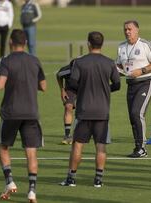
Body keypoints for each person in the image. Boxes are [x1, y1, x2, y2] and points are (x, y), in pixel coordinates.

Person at [0, 29, 46, 203]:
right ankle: (32, 191)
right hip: (31, 112)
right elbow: (44, 86)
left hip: (11, 113)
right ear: (25, 42)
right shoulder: (34, 60)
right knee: (31, 152)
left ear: (10, 42)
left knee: (3, 147)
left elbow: (0, 85)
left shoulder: (6, 60)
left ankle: (9, 181)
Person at [60, 31, 121, 187]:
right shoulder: (109, 62)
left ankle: (71, 179)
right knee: (100, 146)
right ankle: (98, 180)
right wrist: (105, 89)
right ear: (102, 44)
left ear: (88, 44)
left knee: (77, 145)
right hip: (102, 112)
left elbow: (72, 84)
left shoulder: (80, 63)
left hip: (84, 111)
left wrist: (84, 89)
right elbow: (117, 84)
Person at [116, 20, 151, 158]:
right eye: (125, 29)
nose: (127, 32)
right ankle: (137, 147)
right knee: (132, 117)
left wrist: (141, 71)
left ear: (137, 30)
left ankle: (142, 148)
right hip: (131, 84)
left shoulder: (146, 45)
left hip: (146, 82)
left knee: (137, 113)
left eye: (130, 29)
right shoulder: (121, 47)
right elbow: (119, 66)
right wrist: (115, 71)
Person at [56, 59, 76, 144]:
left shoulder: (87, 69)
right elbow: (58, 76)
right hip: (70, 89)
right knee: (68, 107)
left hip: (84, 88)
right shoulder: (66, 71)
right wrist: (62, 89)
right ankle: (67, 136)